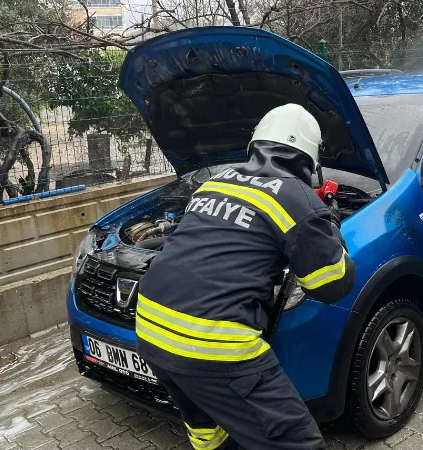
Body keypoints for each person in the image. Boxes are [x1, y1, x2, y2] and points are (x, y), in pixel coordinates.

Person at [135, 103, 356, 450]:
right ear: (309, 158)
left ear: (256, 144)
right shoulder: (296, 197)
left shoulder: (214, 183)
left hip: (151, 330)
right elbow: (333, 284)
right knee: (298, 443)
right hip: (214, 346)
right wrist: (329, 221)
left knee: (209, 432)